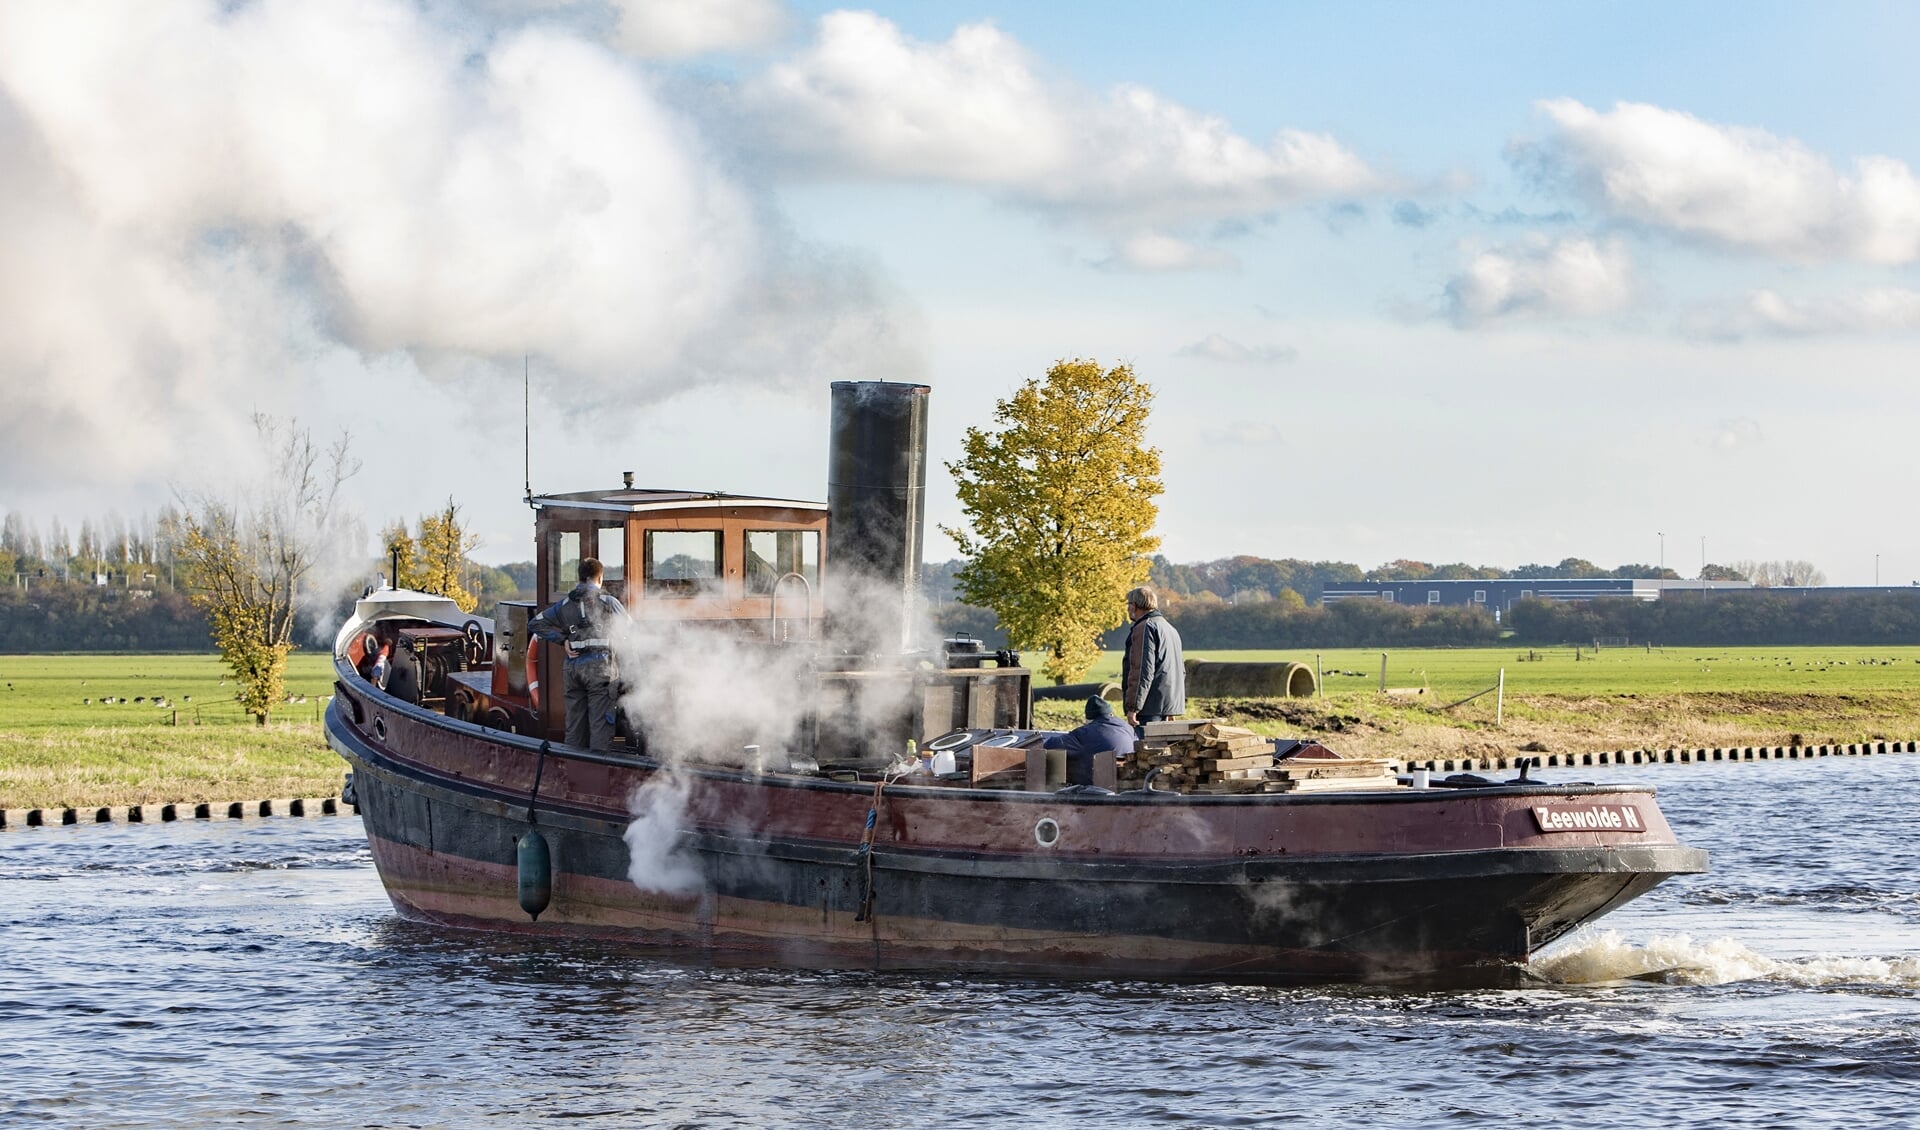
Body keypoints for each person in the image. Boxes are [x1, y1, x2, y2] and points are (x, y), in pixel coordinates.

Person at [530, 557, 630, 751]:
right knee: (601, 725)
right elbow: (631, 631)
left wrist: (562, 640)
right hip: (601, 671)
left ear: (580, 577)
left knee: (575, 725)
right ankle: (597, 775)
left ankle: (573, 771)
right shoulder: (608, 602)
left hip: (573, 669)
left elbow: (535, 624)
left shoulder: (565, 605)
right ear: (599, 578)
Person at [1120, 585, 1184, 733]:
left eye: (1128, 604)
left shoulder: (1144, 628)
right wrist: (1171, 708)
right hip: (1167, 707)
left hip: (1148, 708)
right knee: (1163, 753)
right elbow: (1178, 669)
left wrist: (1133, 707)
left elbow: (1141, 670)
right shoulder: (1170, 629)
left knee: (1146, 753)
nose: (1127, 608)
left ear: (1134, 605)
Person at [1043, 695, 1134, 786]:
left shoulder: (1083, 734)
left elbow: (1050, 745)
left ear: (1089, 719)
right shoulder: (1127, 727)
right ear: (1111, 713)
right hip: (1126, 783)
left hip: (1096, 789)